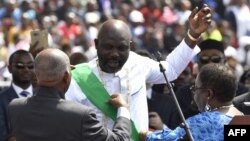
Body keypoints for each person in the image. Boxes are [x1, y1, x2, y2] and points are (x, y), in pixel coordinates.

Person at [65, 4, 212, 134]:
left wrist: (193, 34)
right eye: (108, 47)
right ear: (96, 45)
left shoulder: (137, 63)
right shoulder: (78, 78)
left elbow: (171, 69)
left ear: (130, 47)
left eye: (122, 48)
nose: (114, 54)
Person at [8, 48, 131, 141]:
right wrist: (123, 109)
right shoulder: (81, 115)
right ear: (66, 77)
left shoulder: (14, 108)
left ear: (35, 75)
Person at [145, 63, 243, 141]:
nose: (194, 93)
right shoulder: (243, 120)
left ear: (208, 94)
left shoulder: (201, 122)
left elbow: (167, 139)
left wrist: (145, 135)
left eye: (195, 88)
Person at [0, 50, 34, 141]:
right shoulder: (1, 100)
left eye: (30, 66)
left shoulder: (44, 95)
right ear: (9, 68)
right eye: (20, 66)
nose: (26, 69)